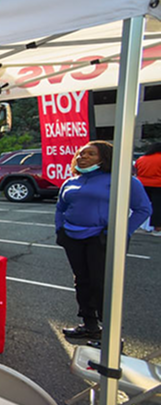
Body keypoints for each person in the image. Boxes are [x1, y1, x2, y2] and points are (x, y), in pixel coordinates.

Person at [55, 141, 152, 340]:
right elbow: (60, 207)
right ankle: (89, 325)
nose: (83, 157)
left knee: (102, 285)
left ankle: (111, 337)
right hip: (73, 238)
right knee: (82, 282)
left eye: (90, 154)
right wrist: (60, 230)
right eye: (81, 154)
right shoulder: (72, 181)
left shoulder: (122, 180)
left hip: (103, 239)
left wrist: (121, 233)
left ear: (105, 158)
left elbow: (143, 209)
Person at [134, 142, 161, 236]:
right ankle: (157, 228)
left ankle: (137, 225)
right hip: (158, 185)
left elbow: (136, 171)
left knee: (141, 206)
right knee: (158, 207)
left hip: (142, 185)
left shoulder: (141, 159)